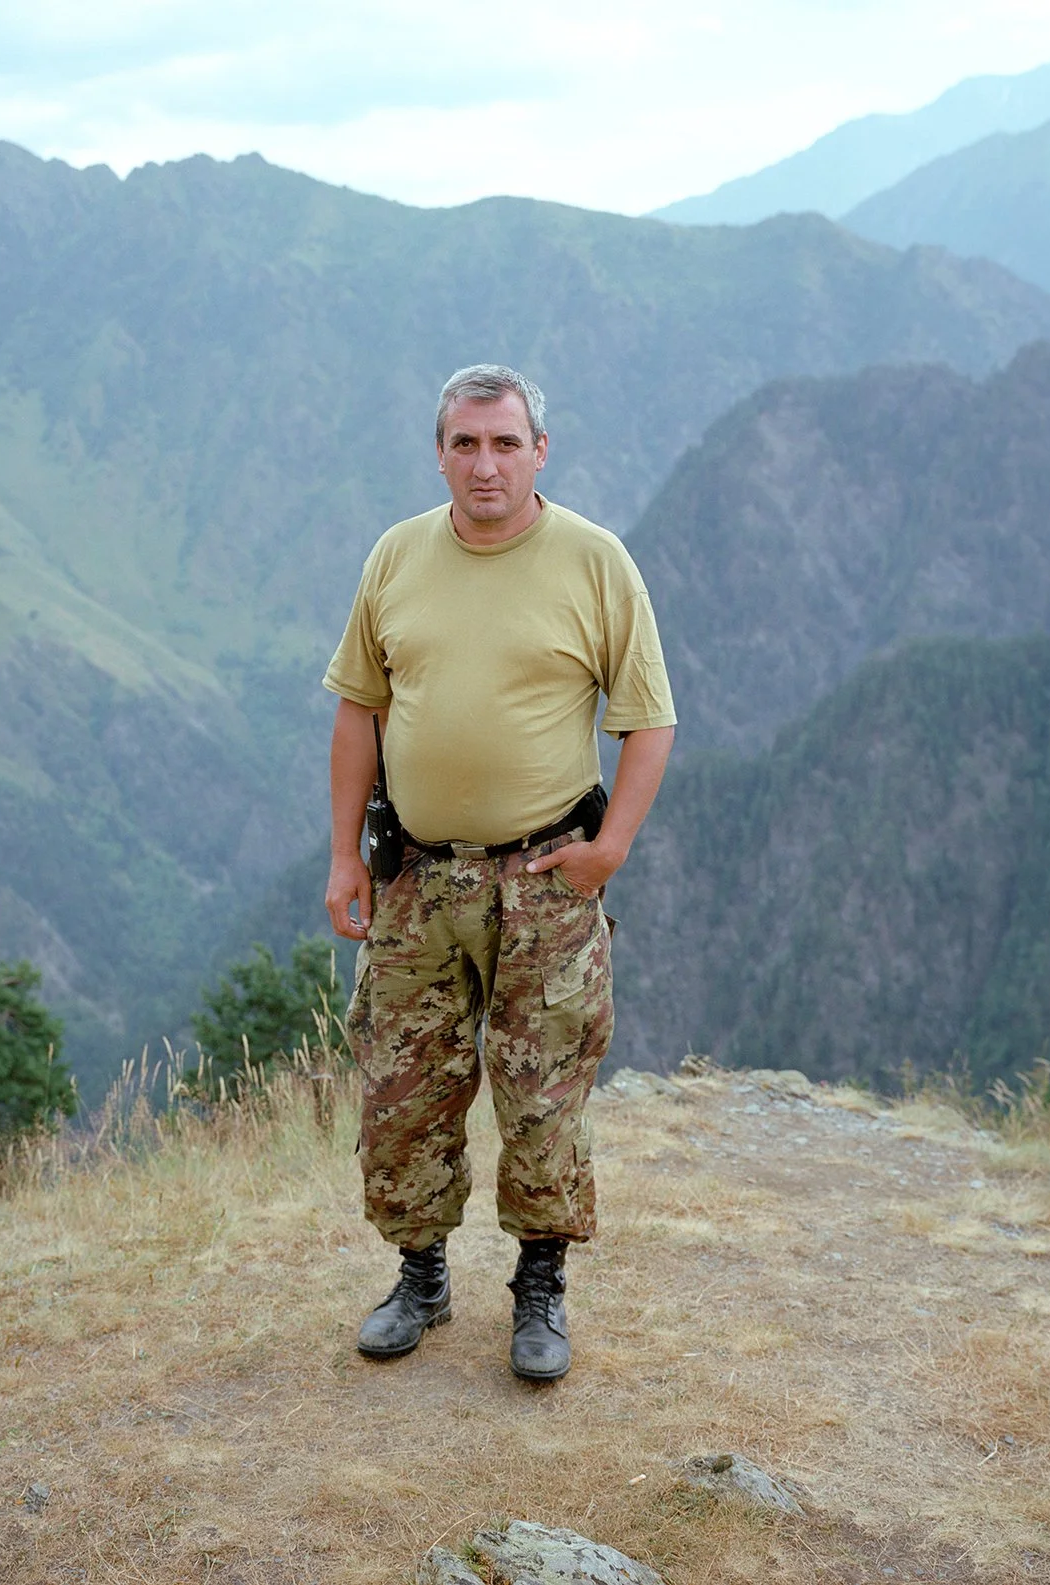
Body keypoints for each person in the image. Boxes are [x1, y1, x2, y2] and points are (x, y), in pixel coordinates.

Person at [323, 364, 676, 1381]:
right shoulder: (396, 556)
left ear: (539, 452)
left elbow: (647, 719)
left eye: (504, 443)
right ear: (439, 451)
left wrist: (608, 852)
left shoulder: (594, 562)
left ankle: (539, 1288)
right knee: (404, 1091)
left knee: (542, 1097)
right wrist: (345, 853)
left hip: (545, 882)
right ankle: (420, 1277)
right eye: (465, 444)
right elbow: (359, 710)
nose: (485, 464)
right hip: (415, 883)